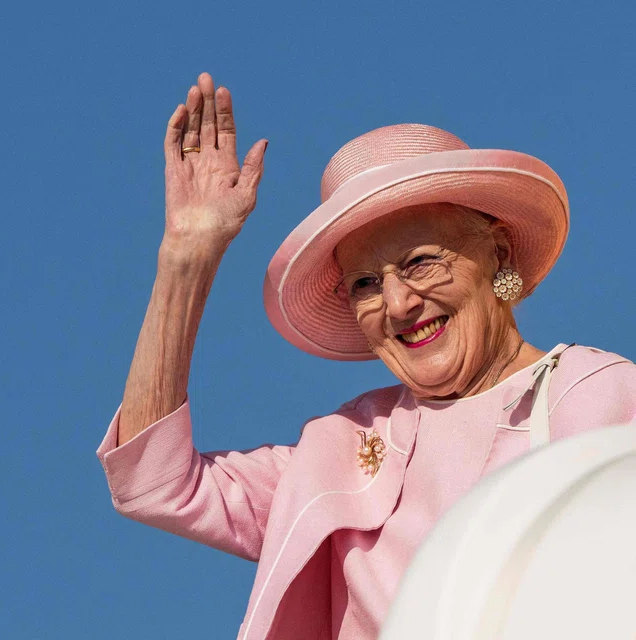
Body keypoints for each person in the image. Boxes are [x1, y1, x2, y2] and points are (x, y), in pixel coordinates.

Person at [95, 72, 636, 640]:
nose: (399, 303)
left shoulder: (594, 393)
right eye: (365, 284)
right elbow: (154, 483)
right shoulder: (341, 447)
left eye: (421, 262)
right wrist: (186, 255)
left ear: (497, 253)